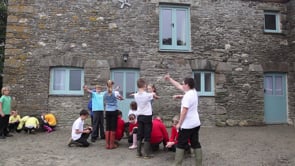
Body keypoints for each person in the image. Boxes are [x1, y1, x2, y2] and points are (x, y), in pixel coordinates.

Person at [164, 74, 202, 166]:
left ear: (187, 85)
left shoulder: (187, 96)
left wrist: (179, 124)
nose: (182, 85)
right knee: (195, 143)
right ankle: (199, 164)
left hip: (187, 126)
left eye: (183, 84)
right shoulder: (193, 91)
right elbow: (178, 85)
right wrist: (170, 79)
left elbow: (184, 111)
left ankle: (177, 164)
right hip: (196, 124)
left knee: (180, 144)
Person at [134, 78, 154, 158]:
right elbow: (153, 95)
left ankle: (138, 153)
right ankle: (146, 154)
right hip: (147, 115)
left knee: (139, 133)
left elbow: (136, 94)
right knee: (147, 134)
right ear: (144, 85)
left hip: (140, 116)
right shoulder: (148, 95)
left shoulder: (136, 95)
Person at [104, 80, 123, 149]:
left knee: (107, 128)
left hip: (107, 111)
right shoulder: (116, 92)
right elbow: (121, 98)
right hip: (114, 110)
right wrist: (119, 98)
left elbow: (105, 99)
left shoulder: (104, 93)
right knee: (113, 128)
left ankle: (107, 144)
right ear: (112, 85)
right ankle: (112, 145)